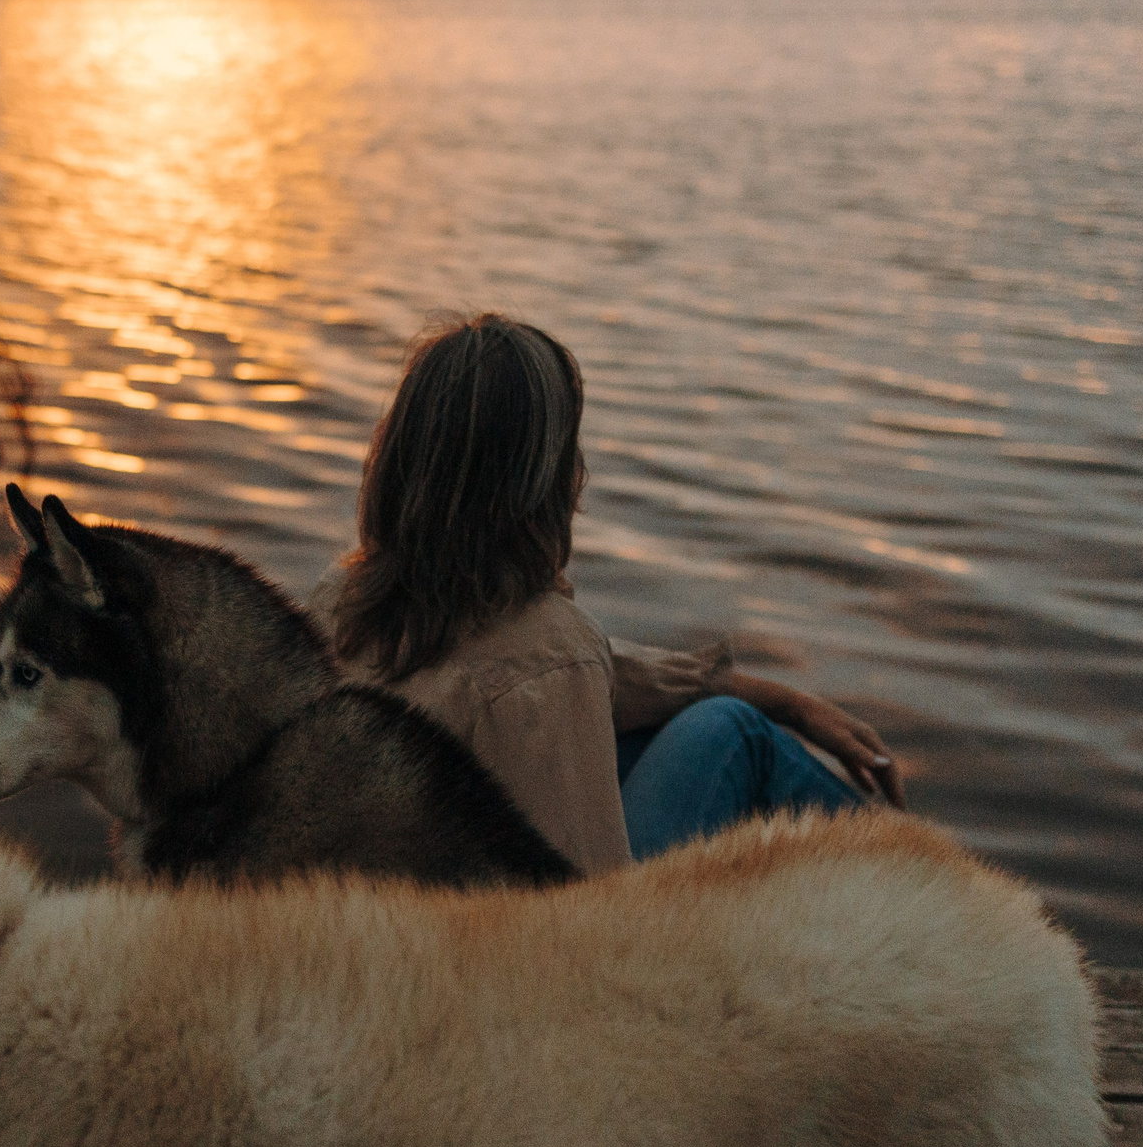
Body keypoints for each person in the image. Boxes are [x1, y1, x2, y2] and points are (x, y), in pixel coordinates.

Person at [313, 314, 902, 877]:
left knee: (670, 727)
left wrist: (792, 704)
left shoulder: (335, 604)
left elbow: (604, 677)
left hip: (386, 922)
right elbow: (590, 927)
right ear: (542, 483)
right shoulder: (545, 651)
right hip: (494, 959)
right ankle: (934, 896)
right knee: (733, 735)